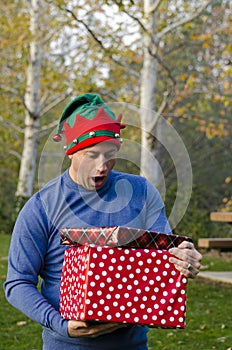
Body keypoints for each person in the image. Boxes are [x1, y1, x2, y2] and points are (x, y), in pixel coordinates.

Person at [4, 93, 202, 350]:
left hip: (132, 345)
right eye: (91, 154)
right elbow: (17, 282)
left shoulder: (141, 193)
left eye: (109, 154)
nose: (102, 166)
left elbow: (166, 252)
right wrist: (60, 325)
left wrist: (184, 258)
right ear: (71, 152)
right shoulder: (41, 207)